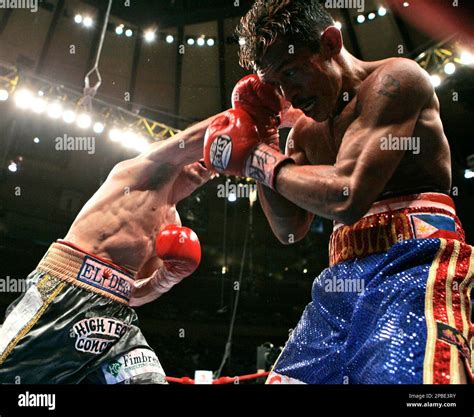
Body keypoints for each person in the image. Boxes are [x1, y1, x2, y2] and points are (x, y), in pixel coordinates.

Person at [203, 0, 473, 384]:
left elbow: (347, 195)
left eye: (292, 73)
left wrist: (257, 160)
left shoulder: (396, 80)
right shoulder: (304, 134)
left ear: (330, 43)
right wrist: (265, 137)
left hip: (412, 263)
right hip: (340, 279)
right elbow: (289, 229)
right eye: (276, 85)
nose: (289, 95)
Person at [0, 117, 214, 384]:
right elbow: (199, 137)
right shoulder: (140, 171)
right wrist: (259, 116)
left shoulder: (174, 226)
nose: (207, 165)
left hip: (116, 319)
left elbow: (134, 293)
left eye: (213, 164)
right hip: (64, 291)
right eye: (202, 154)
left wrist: (167, 278)